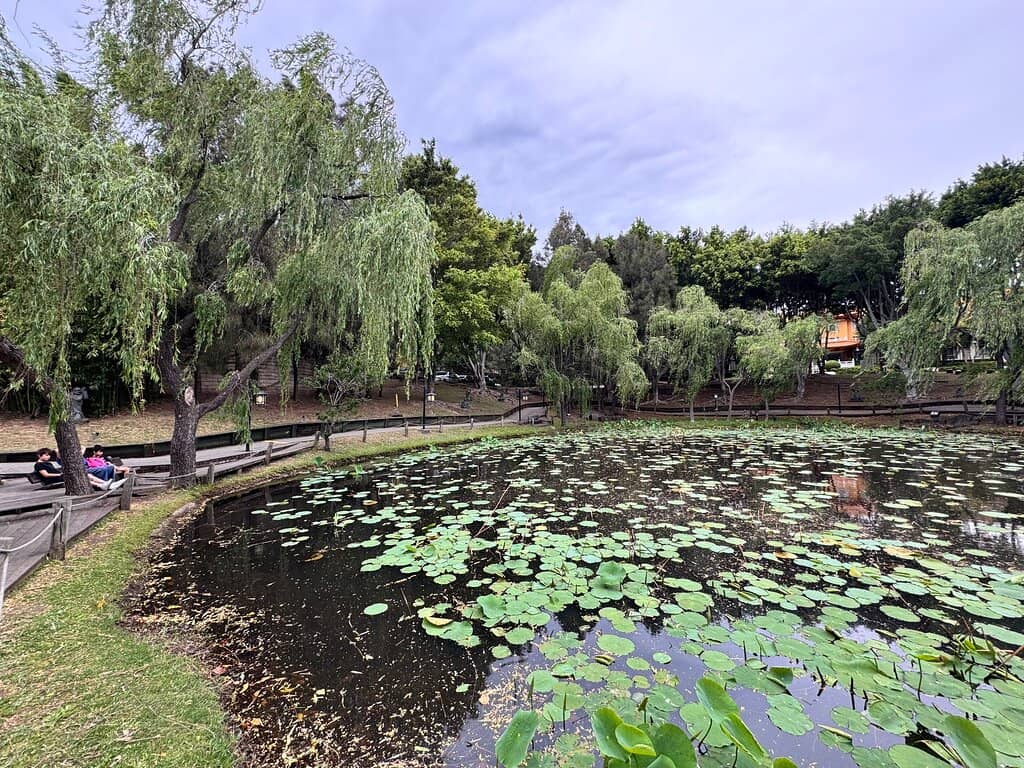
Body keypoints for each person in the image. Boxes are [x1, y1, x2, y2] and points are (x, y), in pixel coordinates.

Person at [33, 448, 123, 491]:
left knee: (87, 475)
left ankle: (105, 483)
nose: (48, 457)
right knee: (80, 477)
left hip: (60, 476)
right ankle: (101, 485)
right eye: (46, 455)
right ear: (39, 456)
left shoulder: (47, 463)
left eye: (49, 455)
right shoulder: (39, 465)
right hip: (54, 479)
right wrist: (60, 474)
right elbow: (46, 475)